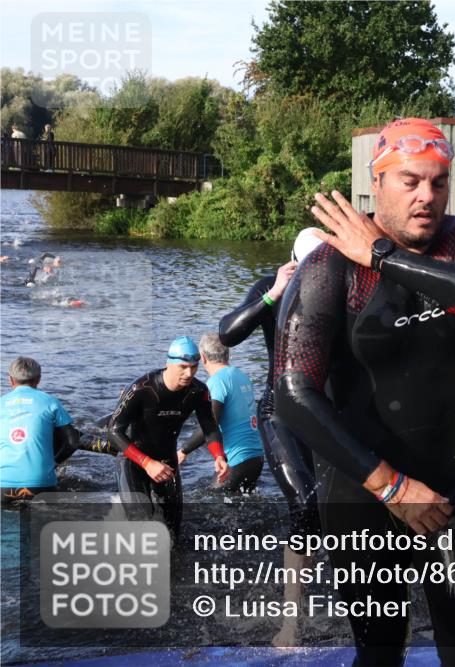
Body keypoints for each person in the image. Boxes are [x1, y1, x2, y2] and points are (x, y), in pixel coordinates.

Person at [273, 117, 455, 666]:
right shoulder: (328, 267)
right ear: (376, 184)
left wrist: (383, 254)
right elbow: (292, 393)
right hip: (364, 492)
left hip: (454, 489)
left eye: (438, 182)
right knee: (381, 654)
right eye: (409, 181)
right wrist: (393, 488)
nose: (426, 196)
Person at [216, 227, 324, 647]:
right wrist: (273, 292)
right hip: (281, 408)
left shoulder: (342, 283)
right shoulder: (271, 286)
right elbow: (227, 334)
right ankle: (291, 624)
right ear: (294, 264)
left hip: (330, 412)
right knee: (306, 501)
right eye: (310, 270)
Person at [107, 337, 228, 538]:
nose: (189, 373)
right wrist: (147, 463)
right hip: (133, 460)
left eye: (194, 367)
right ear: (168, 363)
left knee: (172, 532)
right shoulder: (141, 388)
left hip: (167, 461)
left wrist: (219, 456)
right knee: (141, 521)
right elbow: (113, 431)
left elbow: (210, 428)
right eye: (182, 367)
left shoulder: (198, 391)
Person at [177, 333, 264, 495]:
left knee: (210, 500)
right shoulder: (241, 376)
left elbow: (210, 423)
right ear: (228, 354)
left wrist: (183, 451)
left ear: (203, 358)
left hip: (238, 460)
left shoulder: (217, 381)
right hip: (257, 458)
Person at [0, 357, 77, 503]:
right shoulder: (50, 401)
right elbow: (72, 442)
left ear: (10, 380)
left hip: (2, 486)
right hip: (42, 484)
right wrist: (55, 462)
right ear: (38, 379)